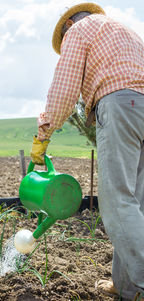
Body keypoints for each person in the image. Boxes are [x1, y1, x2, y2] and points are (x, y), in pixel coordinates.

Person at [30, 2, 144, 301]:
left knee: (118, 203)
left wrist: (45, 132)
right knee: (136, 204)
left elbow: (65, 88)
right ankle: (128, 288)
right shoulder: (127, 32)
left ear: (68, 25)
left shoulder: (78, 31)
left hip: (121, 106)